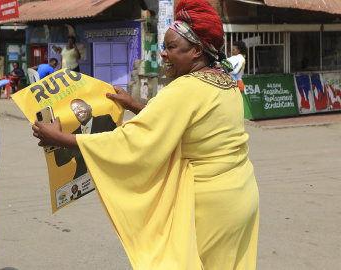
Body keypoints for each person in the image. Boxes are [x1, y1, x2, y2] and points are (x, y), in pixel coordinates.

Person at [32, 0, 259, 269]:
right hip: (241, 196)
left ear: (197, 50)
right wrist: (135, 106)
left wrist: (61, 139)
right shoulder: (226, 83)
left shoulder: (182, 90)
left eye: (171, 47)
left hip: (209, 208)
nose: (163, 54)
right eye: (164, 46)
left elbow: (130, 143)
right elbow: (184, 123)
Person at [53, 98, 117, 180]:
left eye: (80, 106)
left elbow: (113, 144)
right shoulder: (74, 135)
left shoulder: (105, 120)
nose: (78, 111)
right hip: (83, 182)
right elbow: (61, 161)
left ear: (90, 108)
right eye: (74, 109)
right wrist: (55, 136)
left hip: (107, 174)